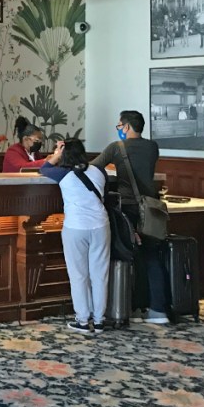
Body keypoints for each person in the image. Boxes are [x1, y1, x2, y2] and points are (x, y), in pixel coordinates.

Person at [90, 110, 168, 324]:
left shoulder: (117, 147)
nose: (118, 129)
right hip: (151, 210)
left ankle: (125, 307)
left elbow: (93, 167)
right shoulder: (153, 147)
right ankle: (158, 310)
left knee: (124, 256)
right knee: (152, 257)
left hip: (127, 210)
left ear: (125, 127)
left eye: (119, 126)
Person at [40, 140, 110, 335]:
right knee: (100, 274)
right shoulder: (99, 171)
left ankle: (82, 319)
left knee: (79, 275)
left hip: (76, 227)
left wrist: (56, 154)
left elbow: (44, 168)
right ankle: (99, 321)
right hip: (101, 226)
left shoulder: (62, 173)